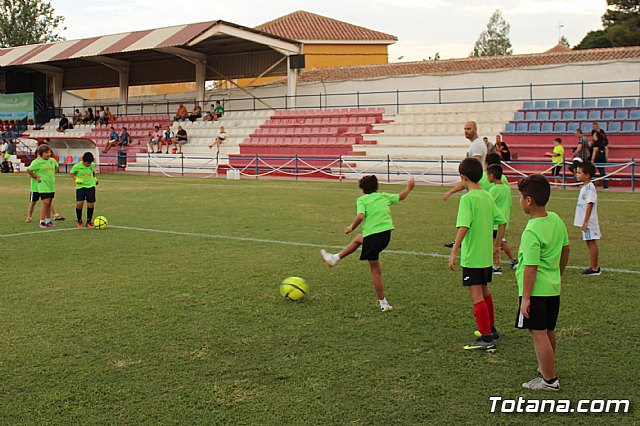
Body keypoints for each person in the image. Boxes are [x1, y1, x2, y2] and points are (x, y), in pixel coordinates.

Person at [320, 175, 415, 312]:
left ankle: (383, 304)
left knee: (376, 272)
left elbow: (360, 216)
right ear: (377, 187)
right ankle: (334, 258)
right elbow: (401, 196)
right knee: (359, 239)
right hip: (385, 236)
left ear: (362, 189)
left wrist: (351, 227)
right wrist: (409, 188)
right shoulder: (383, 196)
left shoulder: (362, 200)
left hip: (373, 237)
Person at [515, 174, 570, 391]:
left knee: (537, 333)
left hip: (537, 290)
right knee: (549, 330)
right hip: (552, 287)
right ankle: (545, 367)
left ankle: (549, 380)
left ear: (528, 200)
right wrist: (559, 274)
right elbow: (566, 249)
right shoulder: (555, 219)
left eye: (520, 197)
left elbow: (531, 267)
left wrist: (526, 297)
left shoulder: (531, 230)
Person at [449, 157, 506, 352]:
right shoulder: (487, 195)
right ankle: (490, 328)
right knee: (485, 291)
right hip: (485, 256)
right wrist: (497, 246)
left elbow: (464, 226)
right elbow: (502, 220)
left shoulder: (467, 199)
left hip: (472, 255)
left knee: (475, 295)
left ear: (463, 177)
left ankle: (486, 338)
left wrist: (454, 251)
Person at [487, 164, 517, 273]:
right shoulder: (507, 188)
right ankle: (513, 261)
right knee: (501, 243)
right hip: (504, 221)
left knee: (496, 245)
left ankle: (496, 266)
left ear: (492, 175)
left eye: (487, 175)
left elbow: (489, 206)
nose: (486, 177)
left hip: (495, 222)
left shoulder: (493, 190)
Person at [574, 161, 602, 275]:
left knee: (591, 242)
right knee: (589, 242)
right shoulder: (584, 187)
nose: (577, 175)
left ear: (587, 175)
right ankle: (594, 266)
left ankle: (595, 268)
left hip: (589, 221)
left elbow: (590, 204)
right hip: (585, 221)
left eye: (579, 173)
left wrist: (585, 221)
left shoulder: (590, 188)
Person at [26, 144, 58, 229]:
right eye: (46, 152)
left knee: (49, 203)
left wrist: (52, 175)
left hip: (51, 185)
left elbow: (56, 167)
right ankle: (42, 221)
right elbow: (28, 170)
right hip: (43, 186)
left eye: (49, 152)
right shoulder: (37, 162)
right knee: (45, 203)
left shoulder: (52, 161)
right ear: (41, 153)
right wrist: (36, 177)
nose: (48, 154)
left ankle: (48, 220)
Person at [70, 151, 98, 229]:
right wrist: (75, 178)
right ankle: (79, 220)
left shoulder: (91, 165)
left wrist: (94, 178)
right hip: (81, 187)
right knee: (79, 204)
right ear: (83, 160)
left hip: (91, 187)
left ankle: (89, 221)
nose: (88, 164)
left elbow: (92, 172)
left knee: (91, 204)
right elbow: (72, 173)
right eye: (87, 163)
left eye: (90, 163)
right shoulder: (77, 166)